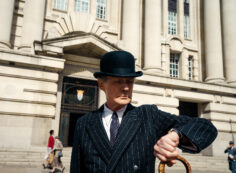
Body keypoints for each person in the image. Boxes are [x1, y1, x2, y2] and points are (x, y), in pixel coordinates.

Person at [70, 51, 218, 173]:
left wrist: (176, 135)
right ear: (101, 84)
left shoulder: (148, 116)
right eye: (119, 81)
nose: (126, 87)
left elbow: (206, 127)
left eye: (130, 81)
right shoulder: (84, 123)